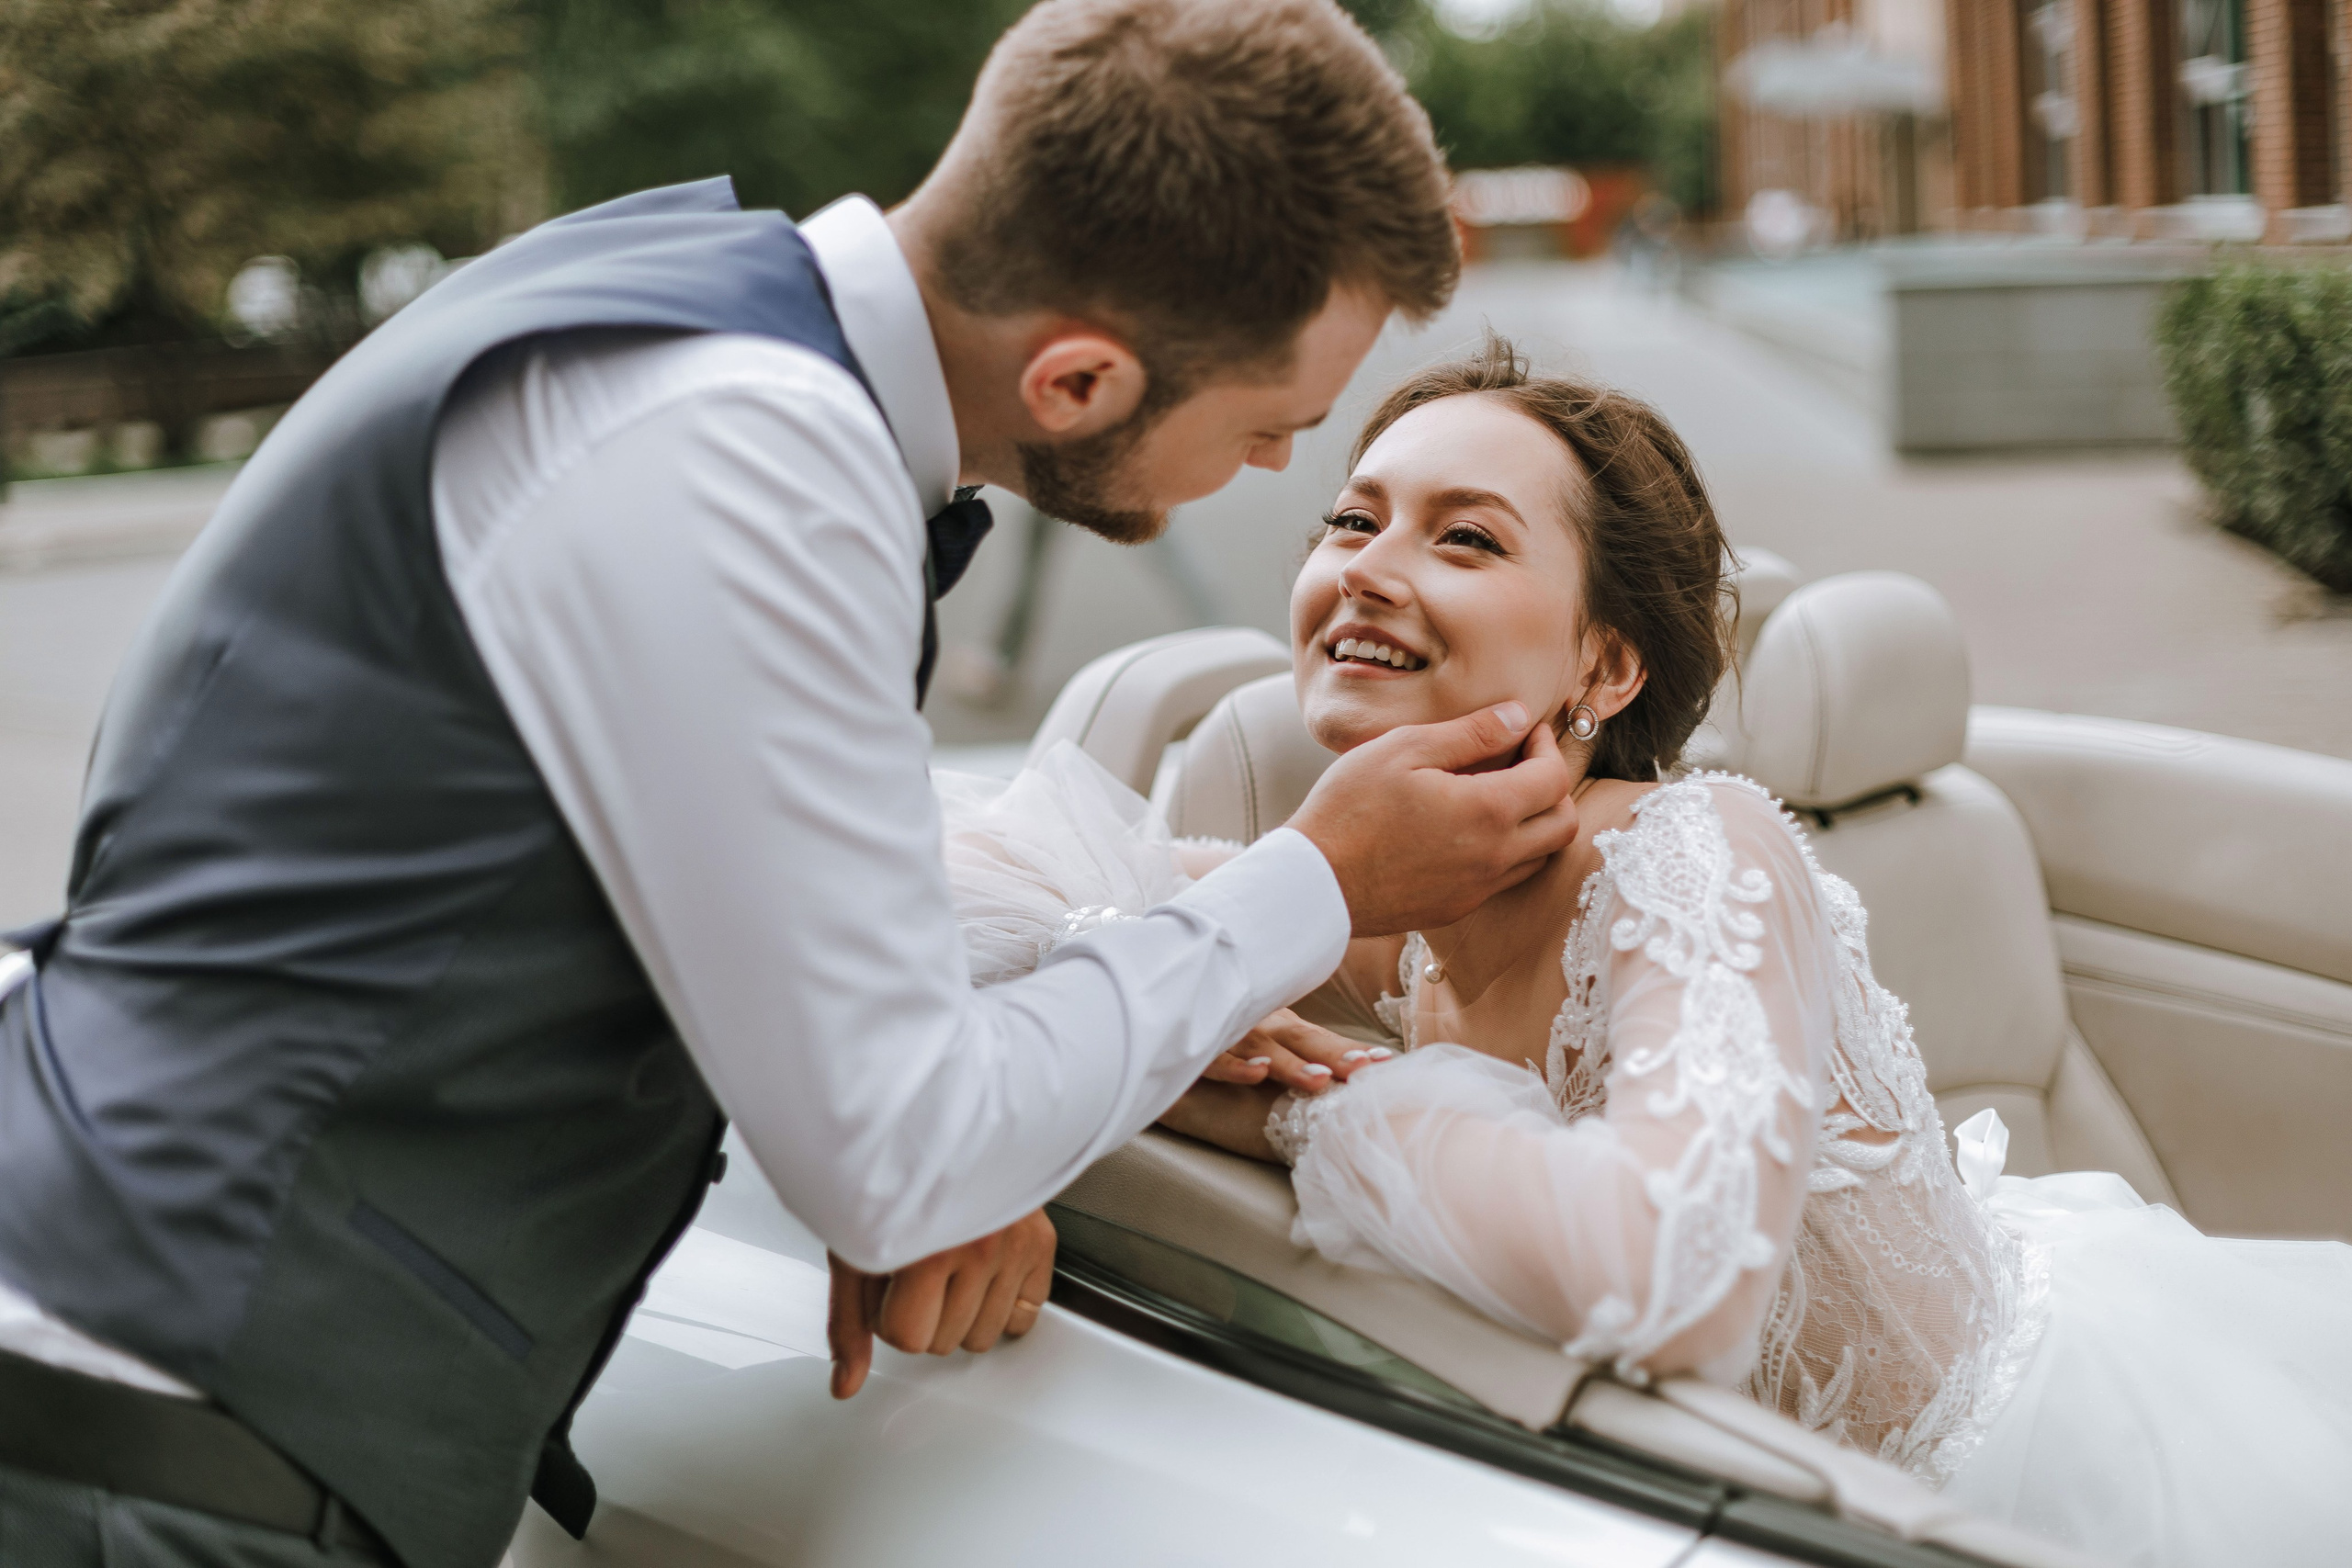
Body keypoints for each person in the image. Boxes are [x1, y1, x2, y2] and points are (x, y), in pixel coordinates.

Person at [0, 6, 1592, 1566]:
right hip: (159, 1439)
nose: (1266, 476)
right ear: (1079, 383)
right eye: (1271, 426)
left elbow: (797, 964)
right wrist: (1315, 882)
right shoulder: (753, 455)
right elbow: (895, 1148)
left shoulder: (668, 306)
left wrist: (971, 1100)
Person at [934, 337, 2352, 1568]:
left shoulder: (1694, 849)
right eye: (1348, 522)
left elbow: (1669, 1281)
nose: (1367, 569)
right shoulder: (1386, 889)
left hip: (1996, 1486)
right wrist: (1158, 988)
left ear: (1604, 671)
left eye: (1466, 538)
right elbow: (961, 889)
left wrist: (1268, 1102)